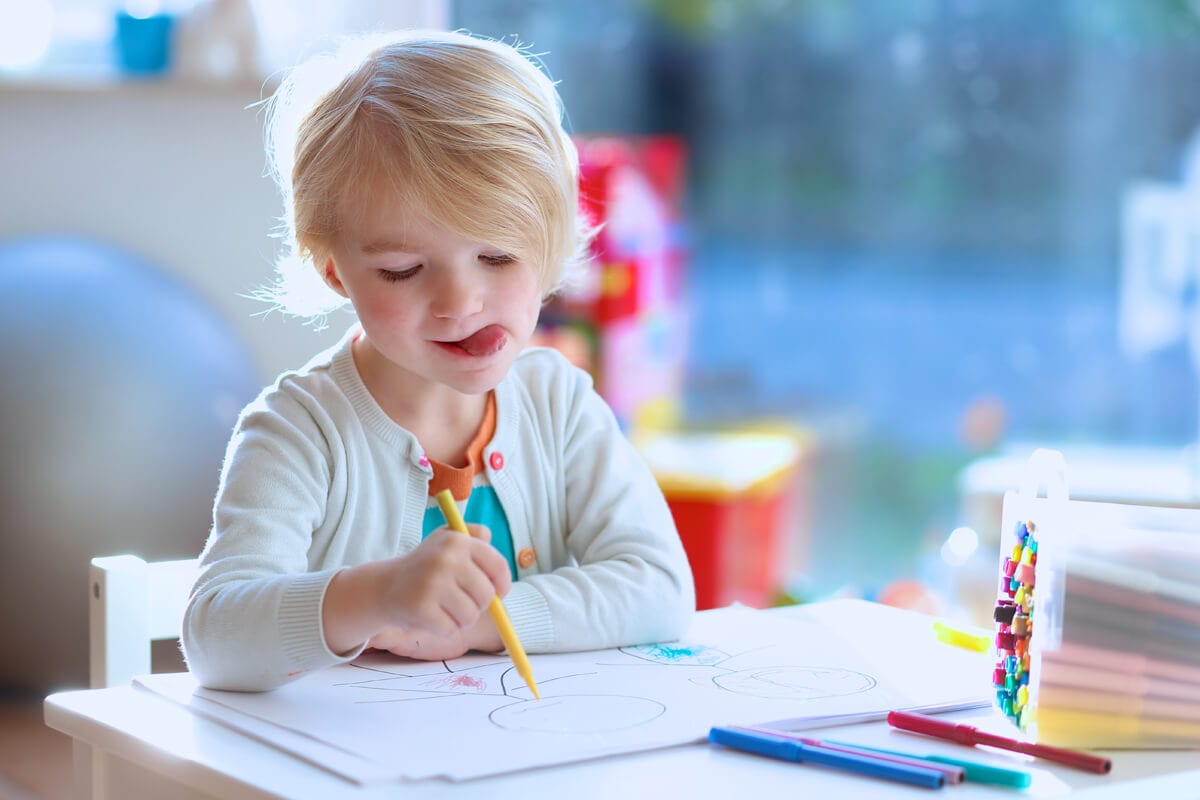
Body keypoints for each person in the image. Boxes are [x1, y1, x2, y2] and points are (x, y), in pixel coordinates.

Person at [180, 29, 696, 692]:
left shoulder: (559, 405)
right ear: (336, 272)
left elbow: (659, 588)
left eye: (499, 257)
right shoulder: (297, 431)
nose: (460, 302)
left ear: (552, 242)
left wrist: (482, 622)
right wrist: (375, 596)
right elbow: (213, 638)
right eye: (403, 270)